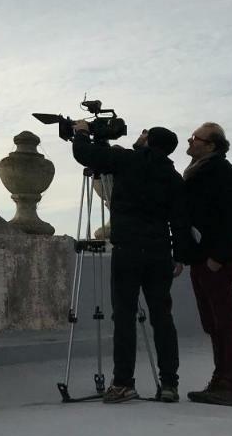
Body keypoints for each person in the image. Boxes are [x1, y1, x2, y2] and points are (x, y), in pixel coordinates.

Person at [71, 124, 188, 404]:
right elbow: (181, 220)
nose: (140, 135)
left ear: (149, 141)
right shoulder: (173, 177)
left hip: (127, 250)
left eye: (145, 134)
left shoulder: (128, 160)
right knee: (162, 318)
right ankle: (169, 384)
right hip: (159, 252)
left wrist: (81, 132)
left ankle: (123, 382)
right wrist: (180, 255)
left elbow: (87, 156)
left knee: (123, 317)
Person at [182, 122, 232, 407]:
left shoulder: (221, 172)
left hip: (215, 262)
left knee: (225, 323)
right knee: (214, 324)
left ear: (211, 145)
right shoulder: (201, 171)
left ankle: (231, 385)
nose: (190, 140)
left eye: (196, 137)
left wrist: (217, 258)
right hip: (202, 259)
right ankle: (220, 381)